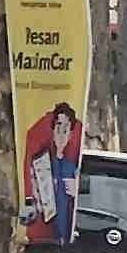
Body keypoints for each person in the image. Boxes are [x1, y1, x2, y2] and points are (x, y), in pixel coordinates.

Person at [22, 101, 82, 243]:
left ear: (71, 134)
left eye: (66, 129)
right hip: (45, 235)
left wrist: (77, 191)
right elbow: (30, 194)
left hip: (69, 233)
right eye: (58, 127)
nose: (61, 134)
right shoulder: (40, 162)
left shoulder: (73, 165)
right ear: (52, 129)